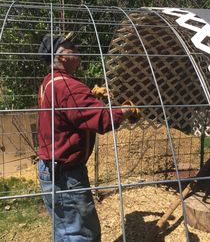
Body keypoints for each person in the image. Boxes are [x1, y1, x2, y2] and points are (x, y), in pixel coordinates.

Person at [37, 33, 139, 242]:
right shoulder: (68, 87)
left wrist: (91, 97)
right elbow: (102, 119)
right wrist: (127, 110)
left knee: (65, 229)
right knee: (81, 234)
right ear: (63, 56)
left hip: (52, 169)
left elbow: (72, 111)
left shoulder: (51, 81)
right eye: (71, 46)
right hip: (65, 175)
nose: (76, 49)